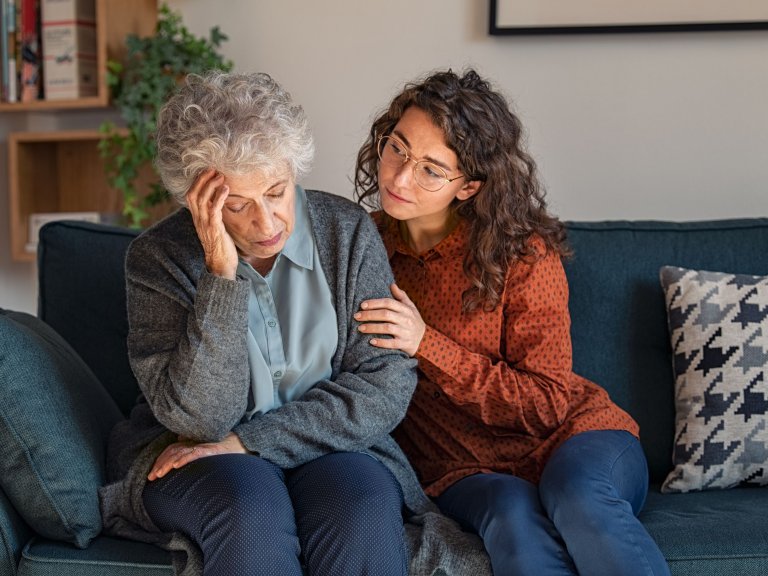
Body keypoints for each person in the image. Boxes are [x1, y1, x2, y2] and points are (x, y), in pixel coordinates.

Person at [98, 70, 427, 576]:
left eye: (276, 191)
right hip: (194, 455)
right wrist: (220, 276)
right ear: (196, 201)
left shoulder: (347, 233)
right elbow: (200, 422)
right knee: (249, 508)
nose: (267, 224)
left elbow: (382, 386)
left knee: (359, 508)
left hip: (333, 445)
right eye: (237, 206)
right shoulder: (158, 260)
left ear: (294, 171)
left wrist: (252, 441)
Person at [353, 68, 672, 576]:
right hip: (463, 467)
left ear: (468, 186)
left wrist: (425, 344)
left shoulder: (522, 256)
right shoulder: (361, 247)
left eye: (431, 169)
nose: (398, 176)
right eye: (398, 148)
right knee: (513, 521)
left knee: (580, 499)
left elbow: (547, 403)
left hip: (577, 439)